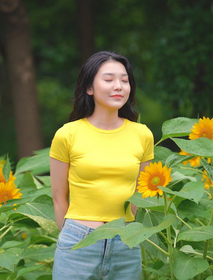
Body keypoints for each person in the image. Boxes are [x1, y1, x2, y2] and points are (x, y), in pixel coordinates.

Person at [50, 51, 154, 279]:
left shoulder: (142, 135)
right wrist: (74, 235)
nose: (118, 86)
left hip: (126, 242)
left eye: (124, 80)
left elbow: (141, 191)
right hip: (79, 240)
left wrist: (124, 231)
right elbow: (59, 197)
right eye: (108, 80)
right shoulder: (67, 135)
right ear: (89, 88)